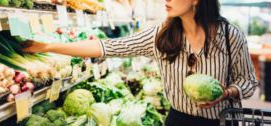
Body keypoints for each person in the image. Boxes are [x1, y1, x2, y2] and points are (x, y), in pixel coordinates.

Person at [20, 0, 258, 125]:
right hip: (178, 120)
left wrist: (226, 92)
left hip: (221, 122)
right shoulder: (161, 37)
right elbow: (107, 47)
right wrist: (46, 47)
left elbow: (248, 81)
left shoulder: (229, 36)